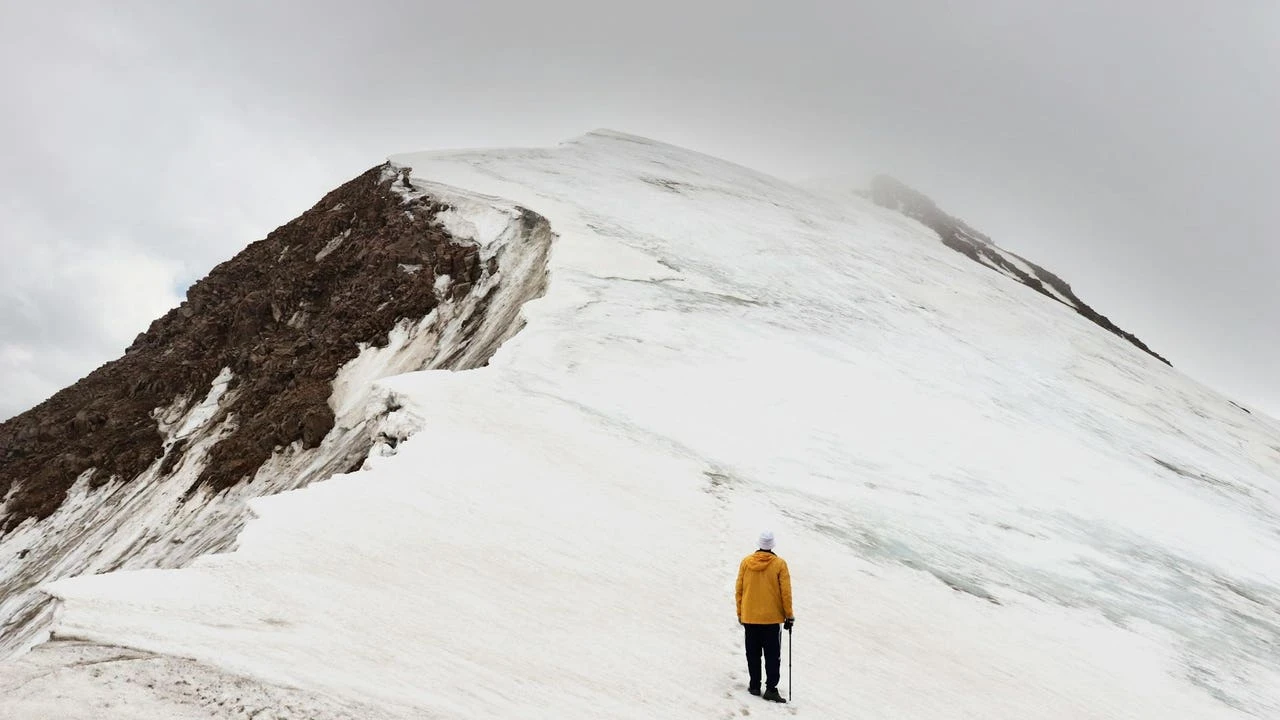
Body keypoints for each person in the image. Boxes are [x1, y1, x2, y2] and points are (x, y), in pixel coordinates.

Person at [735, 530, 794, 703]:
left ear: (759, 544)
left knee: (752, 653)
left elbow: (739, 589)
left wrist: (741, 613)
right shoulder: (779, 564)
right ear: (773, 545)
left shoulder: (746, 562)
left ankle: (754, 685)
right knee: (772, 655)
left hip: (750, 617)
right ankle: (771, 689)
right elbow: (786, 593)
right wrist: (789, 615)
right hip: (771, 619)